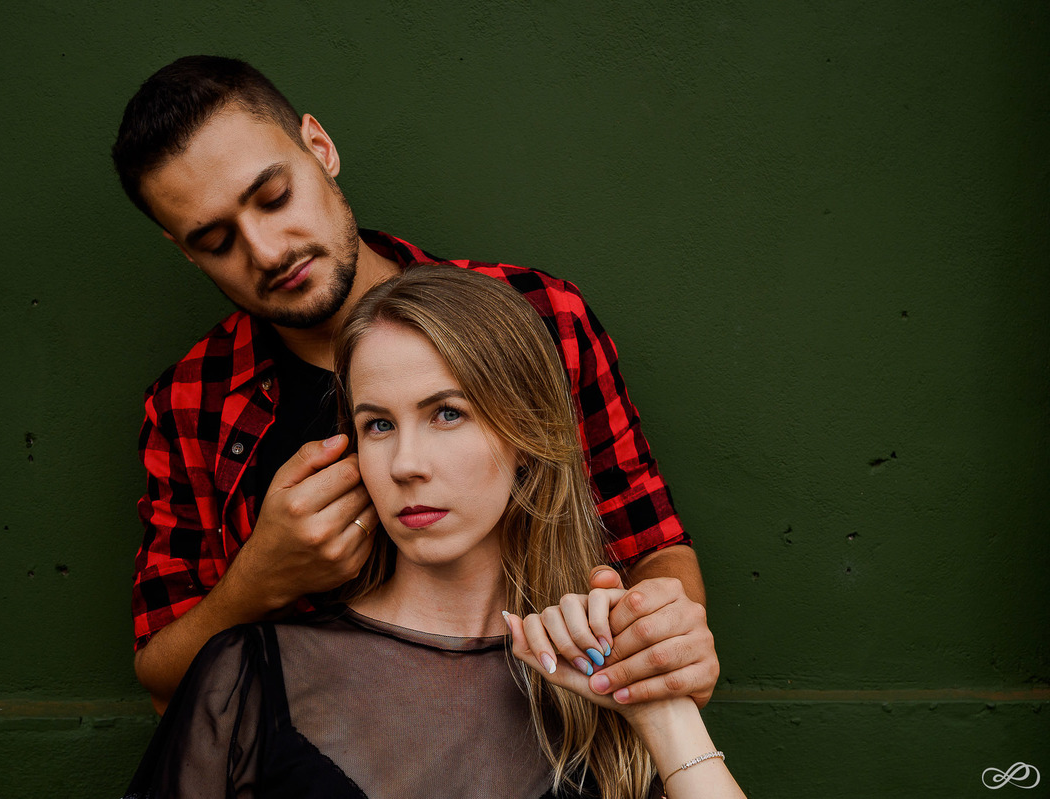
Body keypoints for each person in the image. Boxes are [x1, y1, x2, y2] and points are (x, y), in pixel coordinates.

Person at [112, 55, 717, 715]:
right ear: (184, 250)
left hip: (552, 736)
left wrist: (660, 634)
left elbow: (652, 543)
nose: (265, 250)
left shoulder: (538, 317)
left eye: (274, 196)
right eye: (216, 239)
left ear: (320, 148)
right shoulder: (190, 400)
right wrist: (259, 579)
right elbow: (162, 674)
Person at [124, 266, 742, 799]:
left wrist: (662, 715)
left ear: (524, 434)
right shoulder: (252, 674)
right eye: (378, 426)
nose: (405, 464)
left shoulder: (597, 671)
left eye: (447, 413)